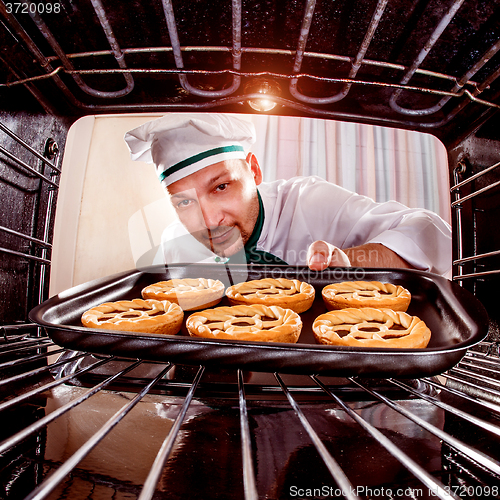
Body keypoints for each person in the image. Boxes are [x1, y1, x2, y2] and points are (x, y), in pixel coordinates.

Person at [125, 113, 452, 276]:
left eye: (221, 187)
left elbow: (431, 232)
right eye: (184, 201)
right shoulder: (173, 247)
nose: (209, 220)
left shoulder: (308, 202)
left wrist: (352, 262)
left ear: (253, 170)